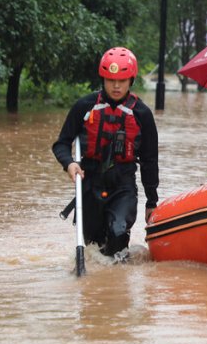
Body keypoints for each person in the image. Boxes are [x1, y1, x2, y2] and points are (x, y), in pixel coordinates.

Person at [52, 47, 159, 257]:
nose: (116, 86)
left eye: (122, 80)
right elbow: (61, 144)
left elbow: (149, 161)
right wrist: (70, 163)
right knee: (94, 245)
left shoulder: (142, 114)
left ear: (131, 80)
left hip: (123, 185)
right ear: (103, 79)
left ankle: (118, 281)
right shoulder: (84, 106)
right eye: (111, 80)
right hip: (90, 184)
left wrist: (151, 202)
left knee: (117, 233)